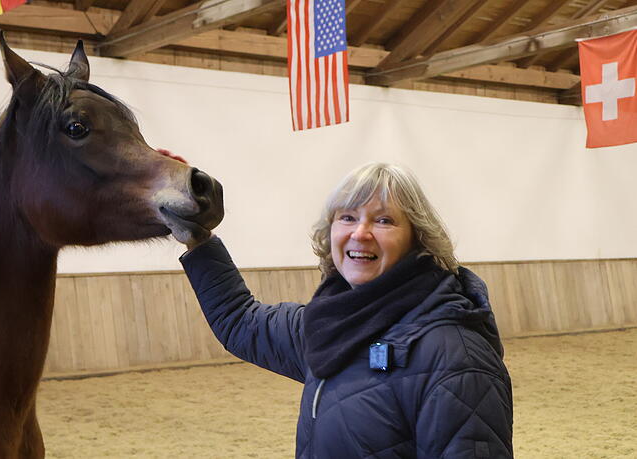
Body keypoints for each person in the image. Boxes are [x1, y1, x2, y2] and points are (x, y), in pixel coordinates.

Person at [163, 162, 513, 458]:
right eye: (347, 217)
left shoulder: (455, 356)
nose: (360, 233)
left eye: (384, 221)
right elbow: (242, 322)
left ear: (417, 238)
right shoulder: (330, 324)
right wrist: (200, 243)